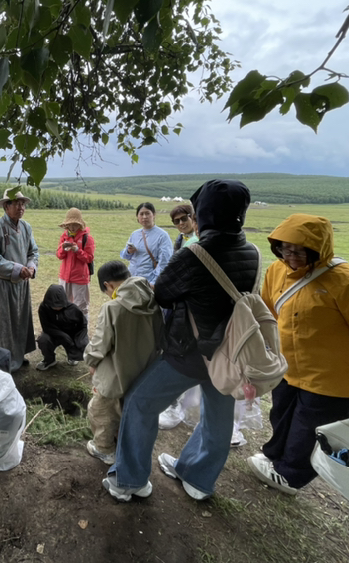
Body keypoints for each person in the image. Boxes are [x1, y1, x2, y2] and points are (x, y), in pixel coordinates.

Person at [103, 179, 258, 502]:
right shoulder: (252, 252)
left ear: (205, 213)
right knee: (218, 418)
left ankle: (129, 480)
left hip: (189, 352)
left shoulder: (195, 254)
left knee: (139, 403)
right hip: (231, 355)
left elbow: (163, 293)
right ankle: (198, 479)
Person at [247, 214, 349, 495]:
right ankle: (273, 457)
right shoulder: (276, 271)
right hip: (286, 370)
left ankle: (291, 477)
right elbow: (268, 315)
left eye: (300, 251)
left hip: (331, 382)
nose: (291, 257)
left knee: (308, 432)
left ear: (319, 249)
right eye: (285, 249)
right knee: (281, 418)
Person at [85, 261, 162, 466]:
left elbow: (100, 344)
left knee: (100, 411)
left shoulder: (113, 307)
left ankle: (104, 449)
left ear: (108, 285)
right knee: (127, 411)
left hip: (115, 374)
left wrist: (90, 361)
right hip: (144, 371)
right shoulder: (153, 299)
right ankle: (122, 442)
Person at [0, 188, 39, 371]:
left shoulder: (26, 227)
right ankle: (1, 361)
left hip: (22, 285)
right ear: (6, 206)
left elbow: (33, 251)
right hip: (2, 285)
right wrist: (17, 269)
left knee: (20, 320)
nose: (21, 207)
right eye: (16, 204)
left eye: (23, 204)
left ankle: (17, 355)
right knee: (3, 323)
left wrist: (31, 266)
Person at [158, 204, 200, 429]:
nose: (181, 223)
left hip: (189, 308)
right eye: (177, 221)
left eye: (185, 218)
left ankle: (178, 408)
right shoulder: (182, 240)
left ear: (194, 218)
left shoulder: (195, 243)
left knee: (183, 354)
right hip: (182, 305)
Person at [36, 284, 88, 371]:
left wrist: (79, 340)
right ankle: (49, 360)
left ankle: (72, 356)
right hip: (53, 333)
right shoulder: (44, 307)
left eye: (59, 306)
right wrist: (63, 336)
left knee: (83, 343)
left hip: (71, 333)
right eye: (53, 306)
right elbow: (46, 327)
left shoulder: (73, 309)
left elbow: (83, 325)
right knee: (43, 340)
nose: (56, 308)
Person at [55, 207, 94, 322]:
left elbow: (89, 258)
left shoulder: (87, 238)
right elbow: (59, 255)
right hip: (64, 277)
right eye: (70, 225)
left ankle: (82, 331)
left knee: (81, 307)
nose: (72, 227)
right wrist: (63, 248)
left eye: (75, 225)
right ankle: (66, 329)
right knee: (63, 305)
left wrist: (78, 251)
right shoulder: (64, 236)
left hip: (80, 278)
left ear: (80, 225)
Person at [120, 202, 172, 285]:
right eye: (141, 214)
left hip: (148, 280)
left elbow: (165, 262)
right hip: (131, 278)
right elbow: (125, 256)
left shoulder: (162, 235)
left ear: (154, 215)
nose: (144, 217)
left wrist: (154, 282)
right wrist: (129, 251)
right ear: (137, 217)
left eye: (147, 213)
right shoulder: (135, 234)